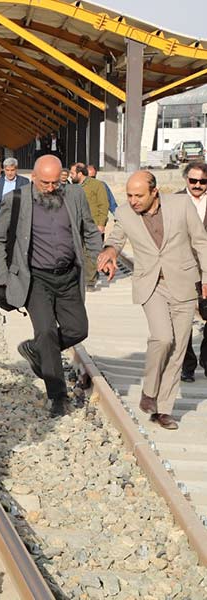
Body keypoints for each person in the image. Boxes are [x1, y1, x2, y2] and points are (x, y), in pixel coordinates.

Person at [0, 155, 102, 416]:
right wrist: (3, 277)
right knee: (46, 331)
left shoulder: (75, 195)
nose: (51, 188)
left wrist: (100, 257)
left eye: (55, 183)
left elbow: (89, 230)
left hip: (67, 276)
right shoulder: (16, 200)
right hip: (35, 278)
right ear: (33, 178)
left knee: (78, 329)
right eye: (45, 183)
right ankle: (58, 396)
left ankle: (35, 350)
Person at [99, 171, 207, 430]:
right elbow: (116, 238)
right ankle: (150, 390)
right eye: (129, 195)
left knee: (178, 350)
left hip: (183, 282)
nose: (133, 200)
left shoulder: (181, 205)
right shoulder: (125, 213)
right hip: (152, 285)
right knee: (162, 337)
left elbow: (201, 242)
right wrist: (110, 251)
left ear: (154, 192)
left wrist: (206, 276)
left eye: (138, 196)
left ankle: (164, 409)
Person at [179, 161, 207, 381]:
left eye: (203, 181)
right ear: (186, 179)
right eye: (193, 180)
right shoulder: (174, 202)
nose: (198, 185)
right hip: (182, 269)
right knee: (183, 319)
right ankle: (187, 366)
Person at [70, 162, 109, 289]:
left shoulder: (97, 185)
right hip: (75, 225)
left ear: (80, 174)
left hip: (92, 225)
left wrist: (101, 223)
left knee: (91, 253)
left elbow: (103, 204)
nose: (70, 175)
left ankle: (90, 281)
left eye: (72, 173)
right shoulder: (72, 187)